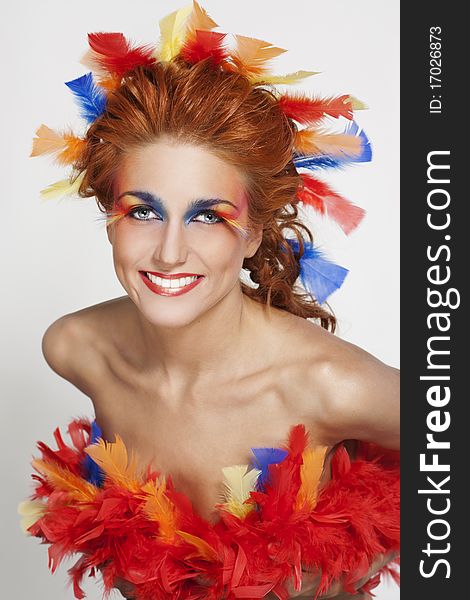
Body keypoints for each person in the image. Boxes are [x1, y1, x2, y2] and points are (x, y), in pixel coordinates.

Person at [18, 3, 399, 599]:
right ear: (109, 220)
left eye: (207, 216)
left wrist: (364, 550)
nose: (169, 252)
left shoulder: (326, 385)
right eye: (142, 211)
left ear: (251, 235)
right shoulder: (77, 349)